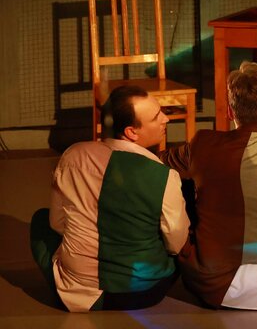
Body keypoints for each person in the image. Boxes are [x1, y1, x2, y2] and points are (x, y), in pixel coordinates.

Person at [162, 61, 257, 309]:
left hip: (211, 286)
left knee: (186, 182)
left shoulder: (202, 144)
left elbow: (159, 163)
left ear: (230, 112)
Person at [30, 85, 189, 312]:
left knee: (40, 220)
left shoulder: (72, 156)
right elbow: (176, 243)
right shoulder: (164, 175)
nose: (166, 119)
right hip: (144, 293)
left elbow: (57, 224)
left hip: (78, 294)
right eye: (157, 117)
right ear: (131, 132)